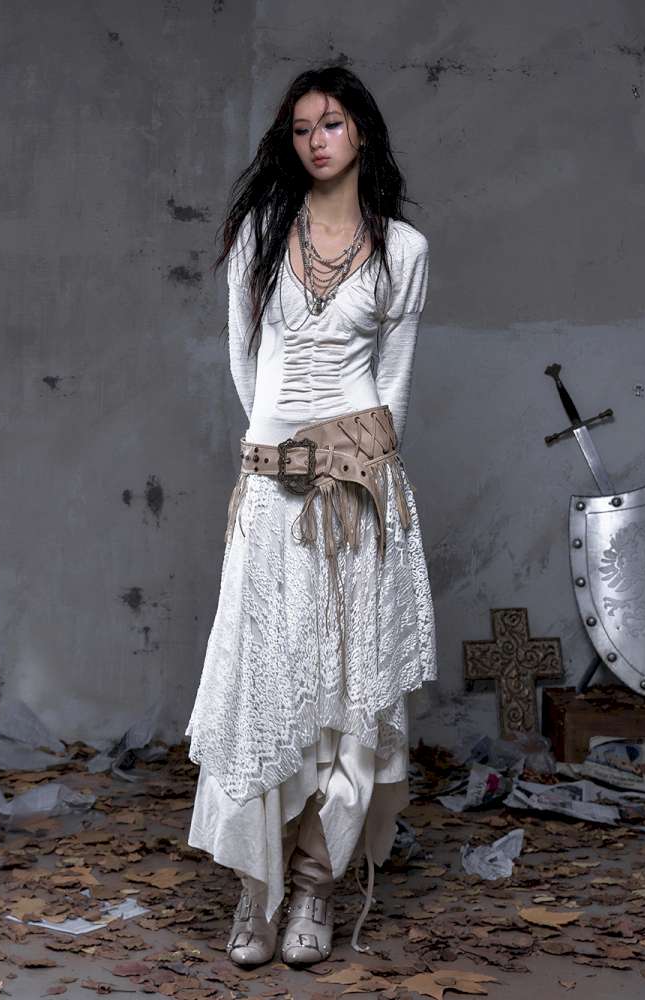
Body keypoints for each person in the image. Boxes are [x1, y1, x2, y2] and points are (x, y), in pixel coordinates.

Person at [185, 64, 437, 968]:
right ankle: (254, 891)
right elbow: (245, 363)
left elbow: (394, 384)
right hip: (273, 485)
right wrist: (280, 454)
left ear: (361, 131)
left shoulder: (403, 249)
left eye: (331, 124)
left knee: (348, 694)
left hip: (362, 492)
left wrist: (355, 468)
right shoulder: (261, 232)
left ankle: (315, 888)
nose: (316, 141)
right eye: (300, 129)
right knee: (263, 685)